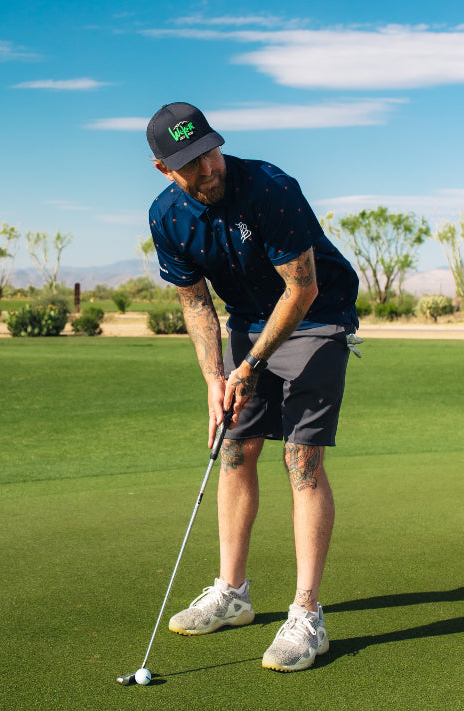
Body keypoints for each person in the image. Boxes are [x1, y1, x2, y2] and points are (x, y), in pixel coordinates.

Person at [146, 102, 360, 672]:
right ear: (164, 168)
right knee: (234, 449)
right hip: (246, 322)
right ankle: (232, 593)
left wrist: (248, 368)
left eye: (211, 151)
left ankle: (307, 615)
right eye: (191, 162)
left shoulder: (269, 187)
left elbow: (304, 288)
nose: (208, 167)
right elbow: (194, 302)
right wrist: (215, 378)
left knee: (301, 459)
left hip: (315, 317)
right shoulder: (166, 217)